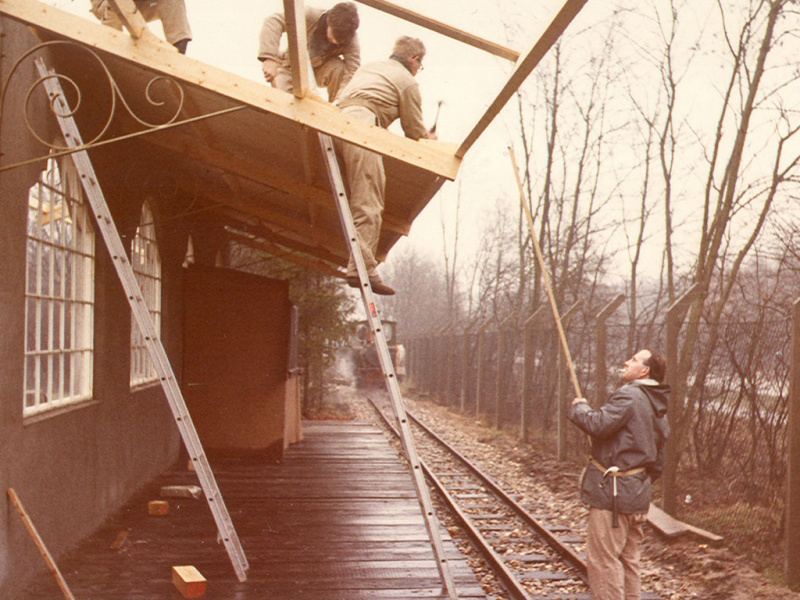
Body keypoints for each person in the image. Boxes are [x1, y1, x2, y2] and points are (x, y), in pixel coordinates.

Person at [334, 36, 436, 296]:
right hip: (362, 124)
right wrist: (430, 139)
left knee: (357, 194)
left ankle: (361, 264)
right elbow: (414, 132)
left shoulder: (370, 67)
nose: (417, 70)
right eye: (419, 65)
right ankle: (361, 269)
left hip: (335, 121)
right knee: (369, 199)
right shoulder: (408, 81)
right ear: (414, 60)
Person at [568, 349, 670, 600]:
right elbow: (658, 461)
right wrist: (637, 481)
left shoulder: (630, 395)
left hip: (613, 495)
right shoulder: (657, 402)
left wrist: (580, 408)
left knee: (604, 562)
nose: (626, 362)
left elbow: (598, 425)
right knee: (629, 562)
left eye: (634, 360)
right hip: (637, 494)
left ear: (644, 370)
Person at [258, 3, 360, 102]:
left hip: (319, 70)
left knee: (339, 68)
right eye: (333, 36)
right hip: (290, 67)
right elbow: (274, 21)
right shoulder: (310, 15)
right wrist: (270, 58)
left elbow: (352, 71)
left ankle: (338, 109)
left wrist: (340, 99)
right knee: (284, 102)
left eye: (339, 41)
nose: (335, 42)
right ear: (329, 20)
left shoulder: (351, 40)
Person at [90, 0, 192, 54]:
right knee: (111, 45)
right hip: (107, 4)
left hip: (141, 5)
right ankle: (110, 51)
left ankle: (178, 55)